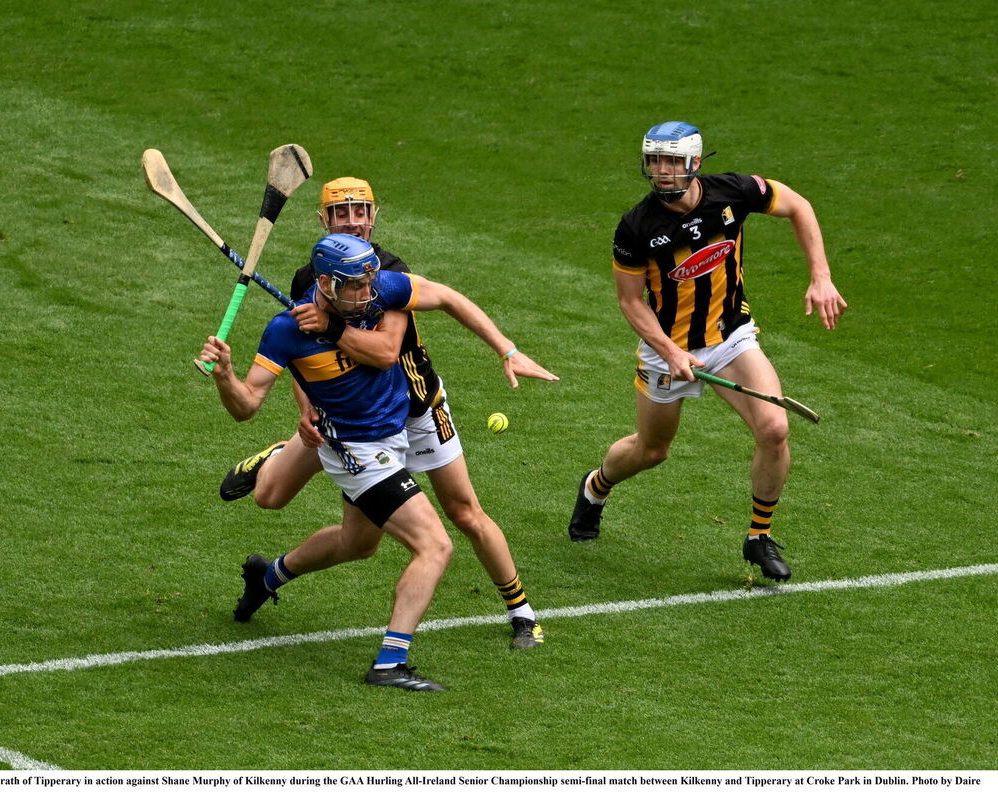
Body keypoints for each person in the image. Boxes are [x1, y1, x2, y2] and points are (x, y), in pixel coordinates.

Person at [201, 233, 554, 691]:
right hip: (359, 451)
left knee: (357, 543)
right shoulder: (285, 331)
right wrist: (226, 376)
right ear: (326, 283)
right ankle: (390, 662)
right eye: (355, 286)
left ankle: (267, 577)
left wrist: (507, 349)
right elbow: (246, 405)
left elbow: (438, 305)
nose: (367, 295)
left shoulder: (377, 291)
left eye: (370, 282)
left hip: (397, 430)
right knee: (435, 545)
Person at [569, 121, 847, 582]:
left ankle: (759, 536)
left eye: (672, 161)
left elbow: (798, 205)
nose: (662, 171)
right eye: (655, 160)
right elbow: (630, 302)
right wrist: (670, 351)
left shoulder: (734, 192)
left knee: (774, 427)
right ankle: (595, 487)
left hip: (729, 335)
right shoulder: (637, 226)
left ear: (694, 162)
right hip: (666, 349)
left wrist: (820, 275)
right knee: (652, 451)